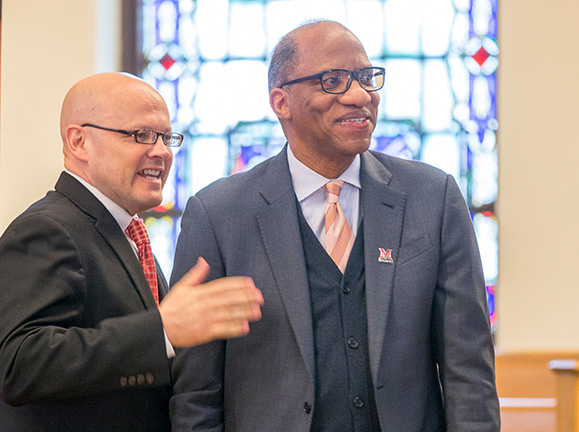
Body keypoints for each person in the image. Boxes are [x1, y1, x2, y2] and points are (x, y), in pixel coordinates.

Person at [170, 20, 500, 431]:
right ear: (281, 102)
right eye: (333, 81)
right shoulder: (218, 214)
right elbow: (197, 394)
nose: (360, 95)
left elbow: (468, 369)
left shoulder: (432, 197)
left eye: (366, 78)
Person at [0, 72, 265, 432]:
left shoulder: (128, 234)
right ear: (79, 142)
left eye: (166, 137)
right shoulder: (47, 229)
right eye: (140, 135)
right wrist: (162, 331)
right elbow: (17, 365)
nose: (161, 151)